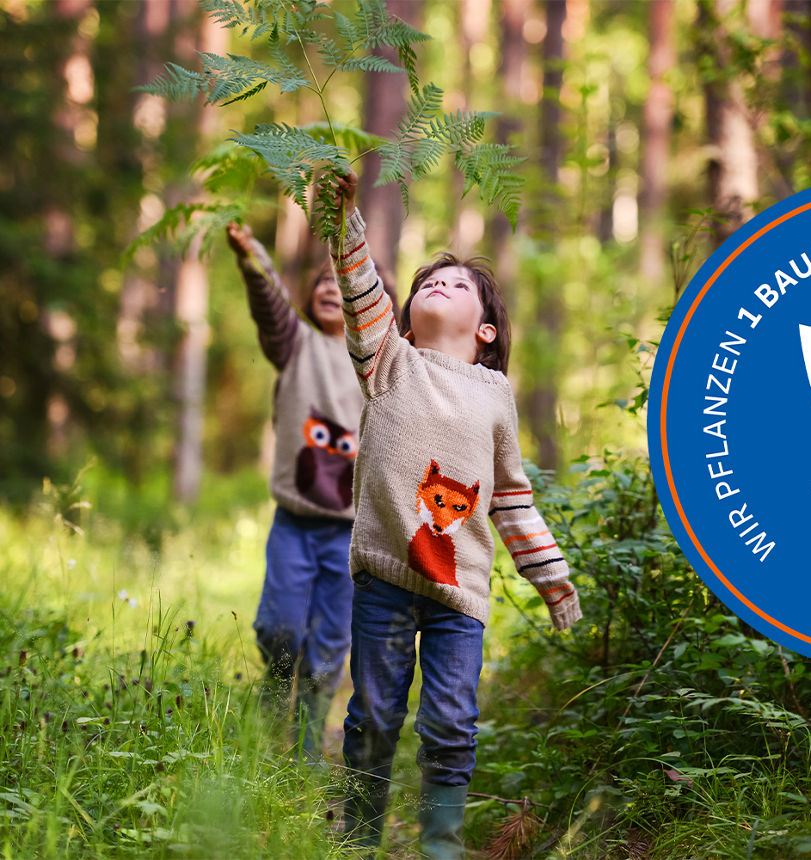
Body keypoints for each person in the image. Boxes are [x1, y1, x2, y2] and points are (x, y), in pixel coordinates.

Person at [315, 172, 582, 859]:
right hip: (384, 577)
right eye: (429, 282)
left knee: (452, 723)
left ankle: (440, 844)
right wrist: (341, 218)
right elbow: (359, 285)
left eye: (458, 284)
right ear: (403, 318)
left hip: (460, 594)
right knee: (374, 713)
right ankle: (359, 839)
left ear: (486, 328)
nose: (439, 285)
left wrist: (553, 580)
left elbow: (513, 498)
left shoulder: (496, 396)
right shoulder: (387, 360)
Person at [226, 222, 373, 761]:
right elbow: (270, 306)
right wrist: (253, 258)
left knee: (330, 647)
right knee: (280, 629)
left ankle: (306, 750)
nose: (333, 287)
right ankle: (272, 703)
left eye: (345, 282)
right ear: (311, 298)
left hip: (349, 533)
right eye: (323, 282)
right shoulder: (295, 344)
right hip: (295, 522)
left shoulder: (377, 366)